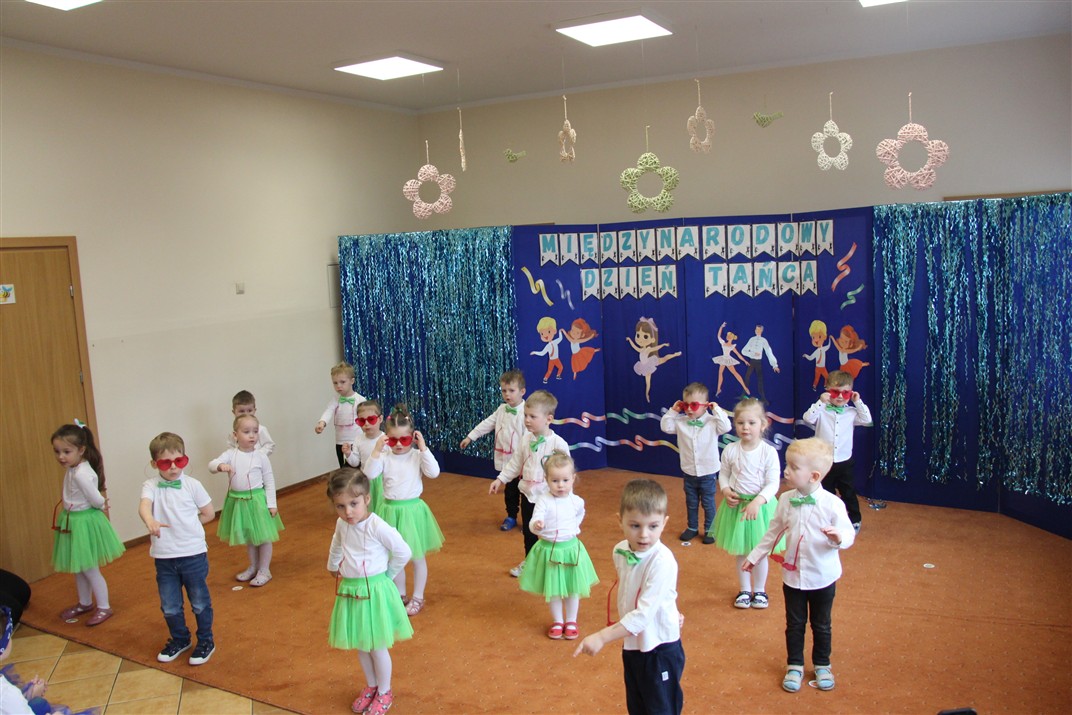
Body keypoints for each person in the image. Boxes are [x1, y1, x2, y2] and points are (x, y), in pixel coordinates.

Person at [744, 438, 855, 693]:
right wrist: (755, 555)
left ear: (814, 476)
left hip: (823, 577)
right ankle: (794, 664)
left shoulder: (833, 504)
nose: (786, 471)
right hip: (792, 578)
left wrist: (839, 537)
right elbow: (773, 532)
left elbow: (848, 534)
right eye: (787, 465)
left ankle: (822, 664)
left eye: (793, 467)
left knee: (821, 624)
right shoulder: (785, 500)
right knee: (794, 624)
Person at [573, 479, 684, 715]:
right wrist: (670, 609)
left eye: (653, 526)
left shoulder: (663, 561)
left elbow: (643, 615)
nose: (644, 535)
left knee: (661, 710)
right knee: (637, 706)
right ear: (620, 520)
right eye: (635, 525)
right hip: (633, 645)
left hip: (659, 648)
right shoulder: (619, 550)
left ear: (664, 523)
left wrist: (602, 636)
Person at [327, 468, 413, 715]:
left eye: (353, 504)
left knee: (377, 646)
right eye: (340, 506)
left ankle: (385, 691)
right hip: (352, 590)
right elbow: (336, 543)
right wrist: (333, 565)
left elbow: (403, 551)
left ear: (366, 499)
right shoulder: (342, 524)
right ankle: (371, 685)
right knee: (361, 644)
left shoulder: (377, 526)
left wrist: (387, 575)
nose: (347, 512)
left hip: (374, 592)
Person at [139, 432, 216, 666]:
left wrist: (189, 527)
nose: (173, 467)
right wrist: (150, 520)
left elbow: (209, 513)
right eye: (165, 463)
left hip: (193, 554)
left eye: (179, 461)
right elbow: (144, 506)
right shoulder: (151, 485)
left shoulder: (192, 485)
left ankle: (206, 640)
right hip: (164, 557)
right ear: (155, 464)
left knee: (199, 602)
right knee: (170, 606)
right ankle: (180, 639)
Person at [488, 390, 569, 578]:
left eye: (533, 416)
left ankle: (554, 564)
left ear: (548, 419)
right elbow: (515, 463)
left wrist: (565, 496)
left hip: (549, 499)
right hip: (528, 495)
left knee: (550, 533)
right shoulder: (525, 440)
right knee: (529, 531)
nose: (527, 420)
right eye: (525, 415)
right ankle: (530, 561)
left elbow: (567, 474)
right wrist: (500, 479)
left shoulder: (559, 444)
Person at [710, 398, 782, 609]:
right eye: (740, 423)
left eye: (751, 423)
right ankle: (744, 590)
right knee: (742, 551)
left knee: (759, 552)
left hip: (760, 509)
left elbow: (773, 482)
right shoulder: (730, 449)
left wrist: (758, 501)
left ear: (763, 424)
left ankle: (759, 590)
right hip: (737, 507)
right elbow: (723, 474)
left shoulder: (768, 452)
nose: (745, 427)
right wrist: (725, 490)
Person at [50, 422, 124, 627]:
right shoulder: (74, 468)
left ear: (81, 450)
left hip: (83, 522)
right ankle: (84, 602)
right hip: (73, 520)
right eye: (57, 451)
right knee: (79, 567)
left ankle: (104, 606)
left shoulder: (81, 473)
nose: (61, 456)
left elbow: (96, 498)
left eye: (66, 452)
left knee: (89, 568)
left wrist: (101, 504)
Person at [518, 453, 599, 640]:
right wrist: (537, 525)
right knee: (553, 589)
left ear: (573, 478)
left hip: (571, 551)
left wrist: (574, 527)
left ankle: (571, 621)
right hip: (550, 551)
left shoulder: (576, 501)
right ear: (546, 480)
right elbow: (535, 519)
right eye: (555, 481)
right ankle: (557, 621)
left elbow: (580, 513)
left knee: (572, 589)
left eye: (565, 480)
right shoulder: (543, 500)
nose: (560, 485)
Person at [374, 404, 443, 617]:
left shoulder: (416, 456)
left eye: (404, 440)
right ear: (386, 438)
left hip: (412, 512)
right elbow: (369, 474)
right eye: (392, 440)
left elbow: (434, 473)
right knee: (393, 556)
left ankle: (418, 597)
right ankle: (400, 594)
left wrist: (423, 449)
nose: (398, 445)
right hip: (389, 511)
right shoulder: (384, 456)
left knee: (417, 556)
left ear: (412, 438)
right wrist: (376, 451)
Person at [209, 414, 283, 587]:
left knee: (263, 537)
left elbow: (269, 481)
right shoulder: (230, 454)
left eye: (255, 432)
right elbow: (211, 465)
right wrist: (220, 466)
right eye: (246, 432)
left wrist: (272, 504)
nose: (252, 436)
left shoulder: (261, 456)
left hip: (257, 502)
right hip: (238, 502)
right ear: (235, 435)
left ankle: (264, 570)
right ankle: (254, 566)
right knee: (250, 537)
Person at [801, 370, 872, 532]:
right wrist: (821, 402)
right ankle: (827, 519)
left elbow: (867, 420)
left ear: (851, 393)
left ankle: (854, 520)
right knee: (825, 492)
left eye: (845, 393)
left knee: (848, 492)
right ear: (827, 390)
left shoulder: (851, 412)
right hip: (823, 461)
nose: (840, 396)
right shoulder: (821, 411)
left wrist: (858, 401)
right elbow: (807, 418)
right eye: (835, 392)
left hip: (844, 461)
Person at [660, 382, 731, 544]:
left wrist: (716, 409)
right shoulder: (681, 422)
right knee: (691, 502)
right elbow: (665, 426)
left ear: (705, 405)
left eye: (694, 405)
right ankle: (692, 527)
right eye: (686, 405)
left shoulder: (713, 421)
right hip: (689, 472)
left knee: (708, 503)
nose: (689, 409)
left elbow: (726, 427)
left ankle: (710, 530)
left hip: (708, 472)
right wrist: (674, 410)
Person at [460, 369, 527, 531]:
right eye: (504, 391)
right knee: (510, 491)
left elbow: (529, 438)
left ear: (522, 392)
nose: (507, 394)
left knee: (526, 493)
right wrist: (470, 437)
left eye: (511, 390)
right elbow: (487, 423)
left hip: (524, 463)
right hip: (508, 463)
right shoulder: (502, 409)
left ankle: (529, 521)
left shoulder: (527, 413)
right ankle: (511, 516)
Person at [315, 362, 367, 467]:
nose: (338, 386)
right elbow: (329, 411)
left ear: (352, 381)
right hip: (340, 442)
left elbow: (366, 419)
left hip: (356, 440)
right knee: (343, 468)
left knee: (357, 467)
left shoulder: (360, 400)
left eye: (342, 382)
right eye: (335, 383)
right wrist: (322, 422)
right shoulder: (335, 400)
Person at [343, 400, 388, 513]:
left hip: (383, 480)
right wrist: (348, 454)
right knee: (368, 506)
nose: (366, 424)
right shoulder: (358, 439)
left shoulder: (385, 439)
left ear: (380, 419)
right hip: (366, 480)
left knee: (382, 506)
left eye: (371, 419)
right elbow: (355, 462)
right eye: (362, 421)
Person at [626, 317, 681, 403]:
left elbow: (656, 348)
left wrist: (663, 345)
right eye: (638, 335)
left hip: (650, 363)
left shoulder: (648, 349)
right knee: (647, 382)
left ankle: (675, 354)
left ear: (652, 339)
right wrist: (630, 340)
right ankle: (647, 395)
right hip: (644, 365)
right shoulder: (641, 349)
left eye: (645, 336)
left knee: (665, 358)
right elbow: (634, 347)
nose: (640, 339)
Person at [740, 325, 780, 403]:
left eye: (759, 330)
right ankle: (743, 394)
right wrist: (752, 353)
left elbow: (769, 352)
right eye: (756, 329)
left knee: (760, 379)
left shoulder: (763, 340)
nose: (757, 331)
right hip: (752, 361)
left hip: (758, 362)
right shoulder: (751, 339)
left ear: (761, 331)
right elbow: (743, 351)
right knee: (747, 377)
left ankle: (763, 398)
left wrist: (774, 365)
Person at [227, 390, 275, 455]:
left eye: (249, 411)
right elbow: (231, 447)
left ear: (254, 410)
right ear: (234, 412)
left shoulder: (260, 429)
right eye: (241, 411)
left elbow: (269, 445)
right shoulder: (234, 433)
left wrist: (258, 455)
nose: (246, 414)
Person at [712, 322, 749, 396]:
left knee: (735, 373)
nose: (727, 337)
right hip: (723, 359)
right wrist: (721, 327)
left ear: (731, 338)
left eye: (729, 336)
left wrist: (744, 361)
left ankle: (745, 387)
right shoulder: (723, 343)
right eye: (727, 336)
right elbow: (718, 336)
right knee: (720, 373)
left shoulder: (732, 346)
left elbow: (738, 354)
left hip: (728, 360)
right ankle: (718, 389)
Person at [531, 317, 565, 383]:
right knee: (549, 371)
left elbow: (560, 338)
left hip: (557, 359)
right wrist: (535, 352)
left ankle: (558, 375)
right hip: (551, 360)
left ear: (554, 331)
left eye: (549, 331)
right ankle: (545, 378)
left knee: (561, 367)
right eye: (542, 334)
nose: (545, 335)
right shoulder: (548, 346)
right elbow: (542, 353)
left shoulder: (555, 342)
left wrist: (560, 332)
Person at [802, 320, 831, 390]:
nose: (816, 340)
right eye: (813, 337)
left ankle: (825, 385)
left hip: (823, 367)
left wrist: (830, 339)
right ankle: (814, 386)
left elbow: (828, 346)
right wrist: (806, 355)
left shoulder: (823, 349)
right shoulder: (816, 352)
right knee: (817, 378)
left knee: (827, 377)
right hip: (818, 368)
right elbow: (811, 357)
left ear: (825, 337)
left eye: (819, 336)